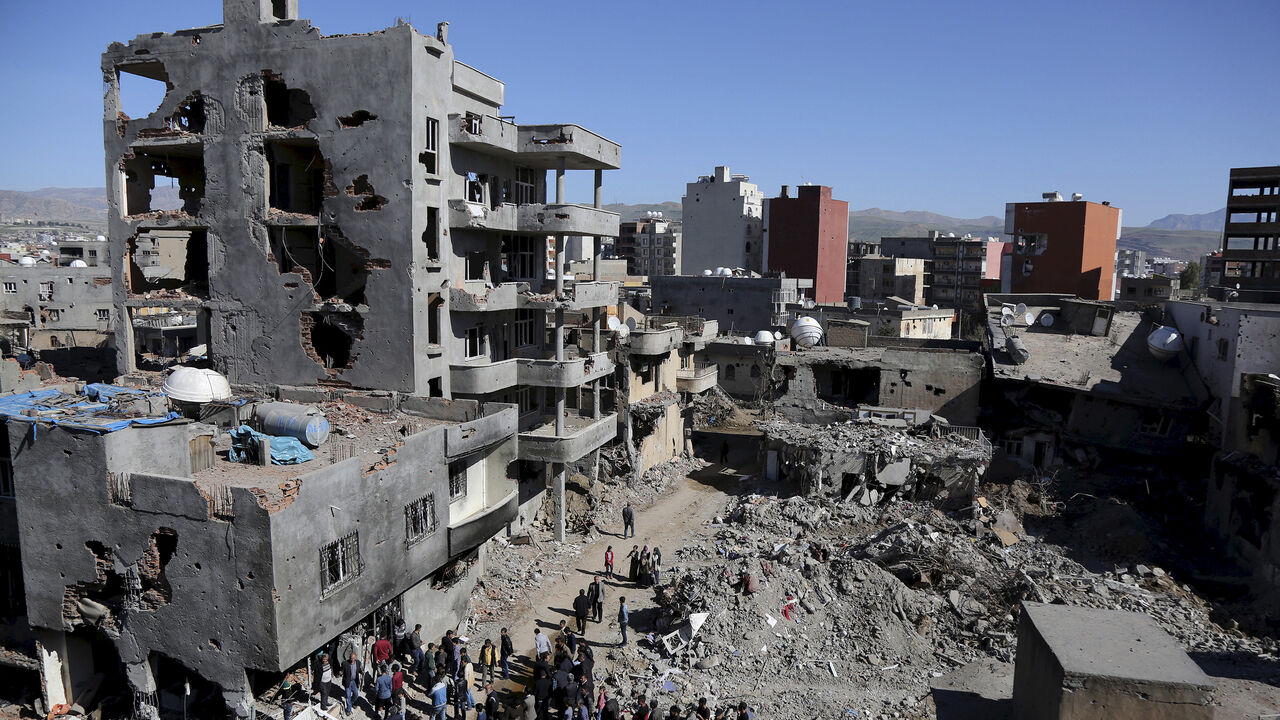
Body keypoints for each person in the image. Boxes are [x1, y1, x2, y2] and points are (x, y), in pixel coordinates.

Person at [342, 651, 363, 716]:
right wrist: (340, 672)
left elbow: (359, 670)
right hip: (348, 682)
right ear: (349, 658)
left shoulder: (358, 663)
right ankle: (349, 709)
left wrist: (362, 672)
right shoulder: (345, 663)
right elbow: (342, 670)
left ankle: (352, 702)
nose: (352, 659)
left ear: (355, 658)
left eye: (353, 658)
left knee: (356, 694)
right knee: (348, 696)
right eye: (351, 658)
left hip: (354, 681)